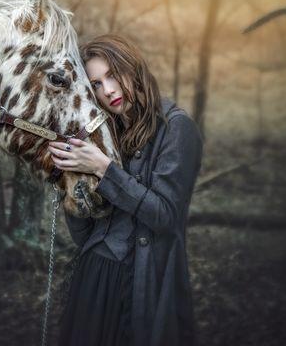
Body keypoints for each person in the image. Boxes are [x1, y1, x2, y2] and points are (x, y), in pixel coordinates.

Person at [47, 34, 203, 346]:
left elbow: (166, 216)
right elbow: (85, 234)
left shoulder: (176, 129)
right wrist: (69, 181)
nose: (108, 91)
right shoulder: (106, 131)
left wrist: (104, 169)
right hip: (93, 278)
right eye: (96, 84)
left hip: (142, 285)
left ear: (133, 69)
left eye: (112, 75)